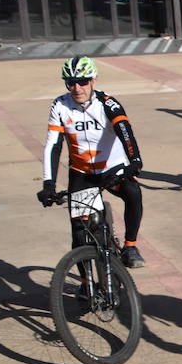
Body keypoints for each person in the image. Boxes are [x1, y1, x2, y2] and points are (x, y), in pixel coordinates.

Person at [36, 56, 147, 268]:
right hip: (82, 173)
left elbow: (125, 132)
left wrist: (135, 161)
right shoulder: (60, 105)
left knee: (133, 193)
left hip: (111, 169)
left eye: (83, 82)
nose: (77, 88)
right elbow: (53, 145)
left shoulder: (107, 103)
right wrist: (48, 184)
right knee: (78, 233)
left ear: (93, 80)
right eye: (71, 83)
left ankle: (130, 246)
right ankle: (85, 284)